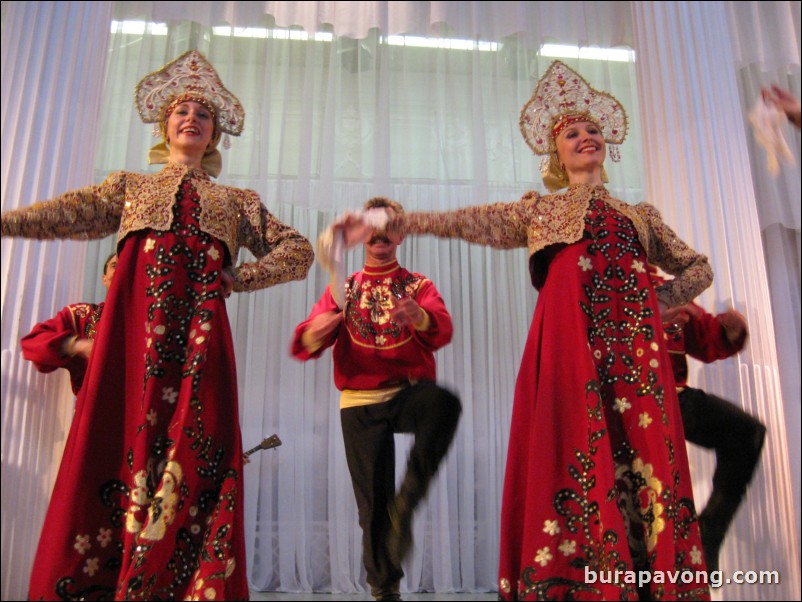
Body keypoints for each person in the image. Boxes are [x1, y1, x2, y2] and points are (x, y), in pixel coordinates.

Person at [339, 61, 714, 600]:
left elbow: (697, 266)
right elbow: (469, 221)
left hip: (634, 351)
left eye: (590, 131)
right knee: (573, 446)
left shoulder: (641, 215)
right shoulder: (540, 211)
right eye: (570, 134)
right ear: (555, 157)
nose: (584, 138)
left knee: (643, 451)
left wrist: (657, 301)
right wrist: (404, 222)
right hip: (569, 349)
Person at [1, 50, 314, 601]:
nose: (191, 118)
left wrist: (241, 278)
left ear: (215, 134)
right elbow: (63, 213)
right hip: (132, 344)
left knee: (198, 453)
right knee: (118, 441)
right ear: (163, 125)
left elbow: (299, 249)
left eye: (203, 113)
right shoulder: (128, 187)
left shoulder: (237, 202)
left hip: (200, 344)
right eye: (181, 111)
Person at [291, 197, 462, 601]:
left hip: (406, 392)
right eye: (372, 225)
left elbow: (443, 330)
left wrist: (418, 316)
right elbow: (303, 341)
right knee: (371, 505)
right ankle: (384, 589)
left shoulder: (418, 285)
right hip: (359, 402)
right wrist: (321, 326)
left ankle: (408, 500)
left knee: (443, 404)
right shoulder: (344, 287)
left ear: (400, 235)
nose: (381, 232)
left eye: (389, 224)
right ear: (362, 236)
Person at [654, 267, 766, 573]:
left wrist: (727, 332)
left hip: (673, 398)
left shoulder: (667, 290)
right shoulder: (604, 288)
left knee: (748, 433)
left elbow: (705, 336)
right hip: (626, 402)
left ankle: (708, 533)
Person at [20, 252, 117, 396]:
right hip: (95, 410)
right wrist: (75, 345)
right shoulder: (83, 315)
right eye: (114, 265)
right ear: (104, 279)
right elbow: (33, 343)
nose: (121, 269)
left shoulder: (153, 320)